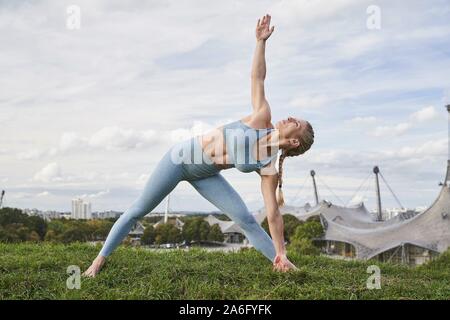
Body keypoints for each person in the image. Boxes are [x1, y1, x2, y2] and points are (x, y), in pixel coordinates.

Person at [83, 14, 314, 277]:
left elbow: (273, 214)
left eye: (297, 122)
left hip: (206, 175)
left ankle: (281, 265)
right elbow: (257, 78)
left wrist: (281, 251)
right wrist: (261, 43)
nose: (291, 117)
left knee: (247, 220)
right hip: (180, 159)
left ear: (294, 140)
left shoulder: (269, 168)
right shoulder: (262, 117)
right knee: (139, 210)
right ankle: (98, 261)